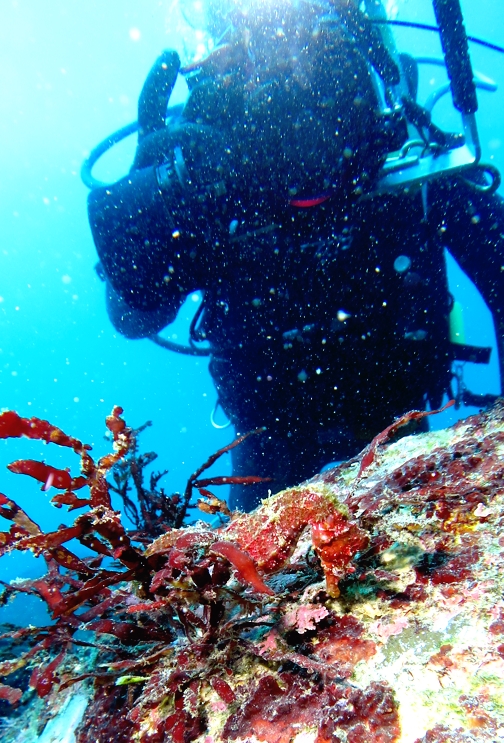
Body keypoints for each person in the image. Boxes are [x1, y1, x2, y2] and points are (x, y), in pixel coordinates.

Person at [87, 0, 504, 511]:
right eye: (248, 56)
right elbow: (132, 318)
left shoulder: (395, 141)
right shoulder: (198, 167)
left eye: (316, 47)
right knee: (259, 575)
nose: (288, 85)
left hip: (397, 405)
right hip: (269, 433)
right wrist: (146, 224)